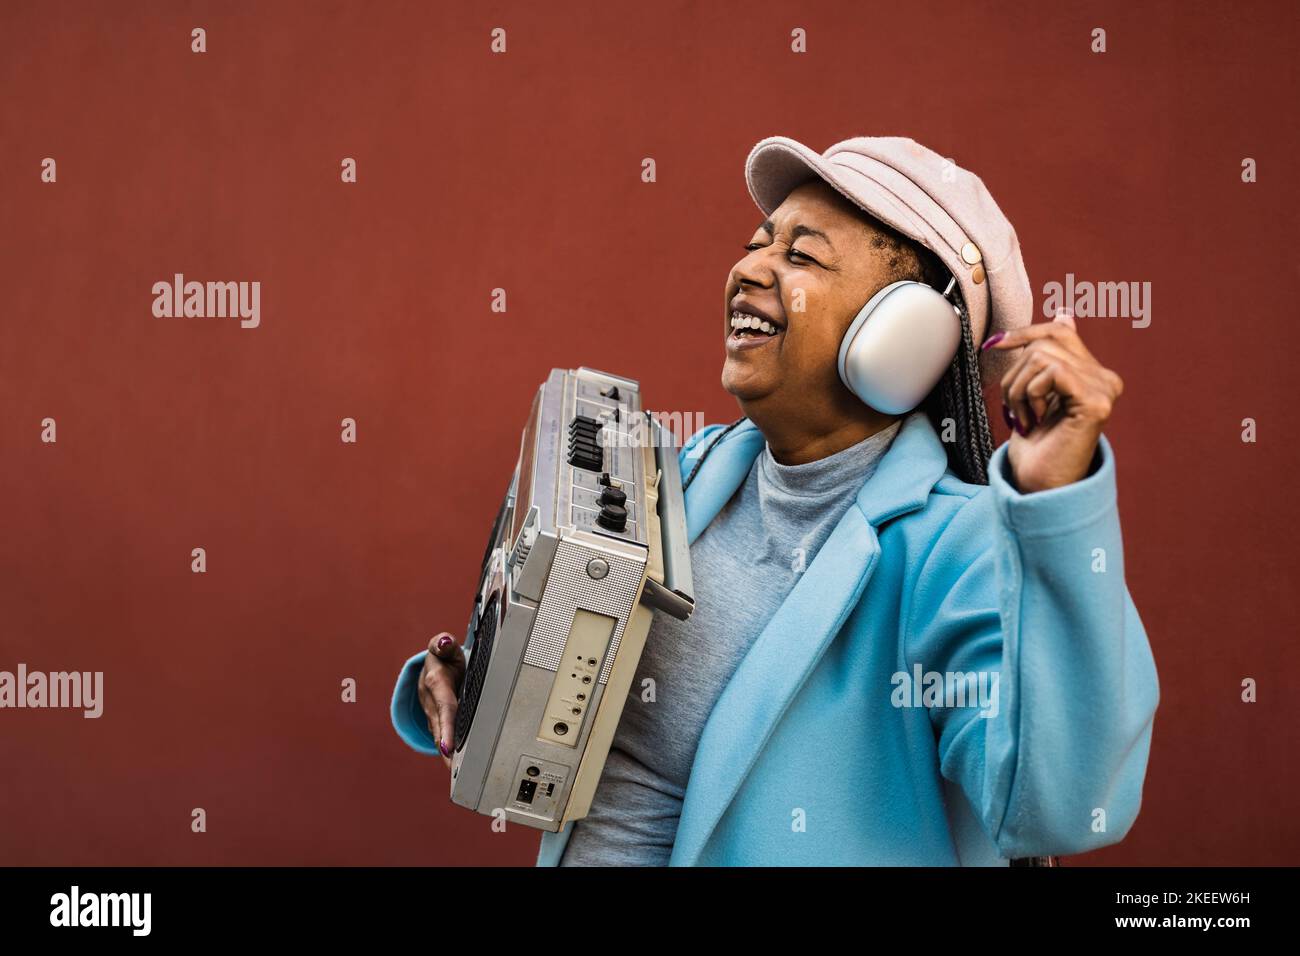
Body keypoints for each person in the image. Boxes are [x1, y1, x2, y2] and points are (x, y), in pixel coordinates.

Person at [390, 135, 1160, 866]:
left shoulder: (960, 555)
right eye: (759, 240)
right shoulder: (682, 479)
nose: (750, 267)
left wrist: (1057, 510)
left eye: (800, 255)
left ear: (907, 334)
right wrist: (486, 675)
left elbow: (1060, 803)